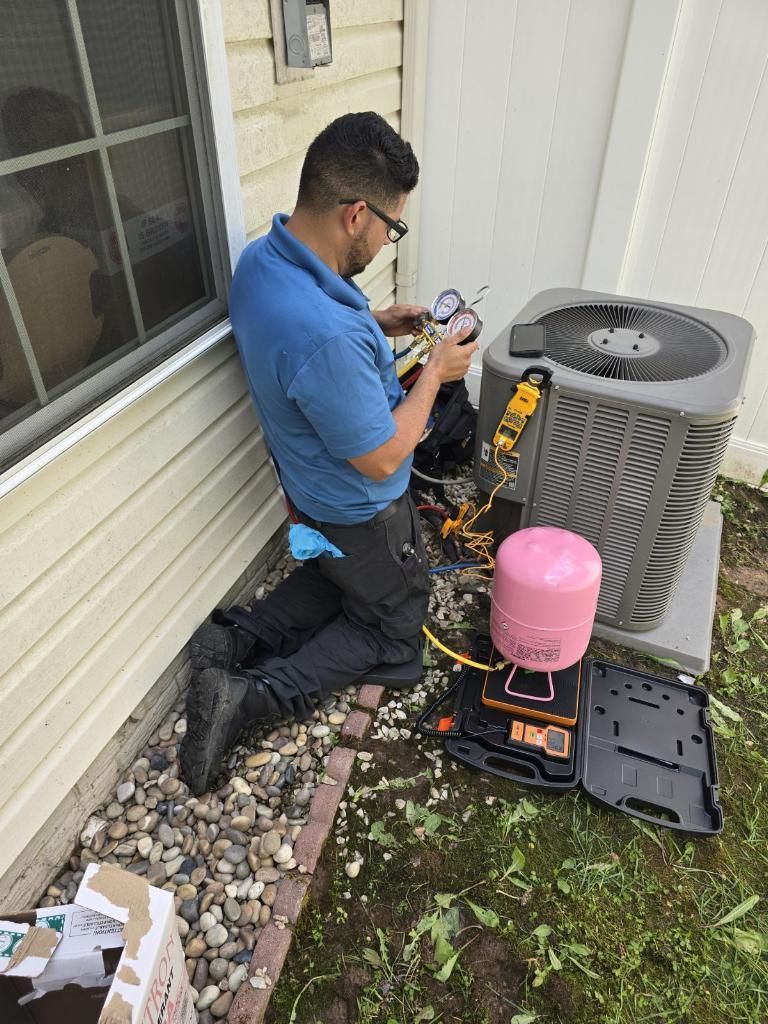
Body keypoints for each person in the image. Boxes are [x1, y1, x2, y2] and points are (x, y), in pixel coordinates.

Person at [180, 112, 477, 795]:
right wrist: (434, 373)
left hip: (309, 492)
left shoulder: (262, 261)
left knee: (344, 576)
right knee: (396, 632)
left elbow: (310, 343)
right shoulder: (326, 337)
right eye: (390, 226)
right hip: (358, 506)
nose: (387, 239)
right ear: (354, 215)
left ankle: (237, 636)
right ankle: (244, 698)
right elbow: (380, 459)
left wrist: (374, 321)